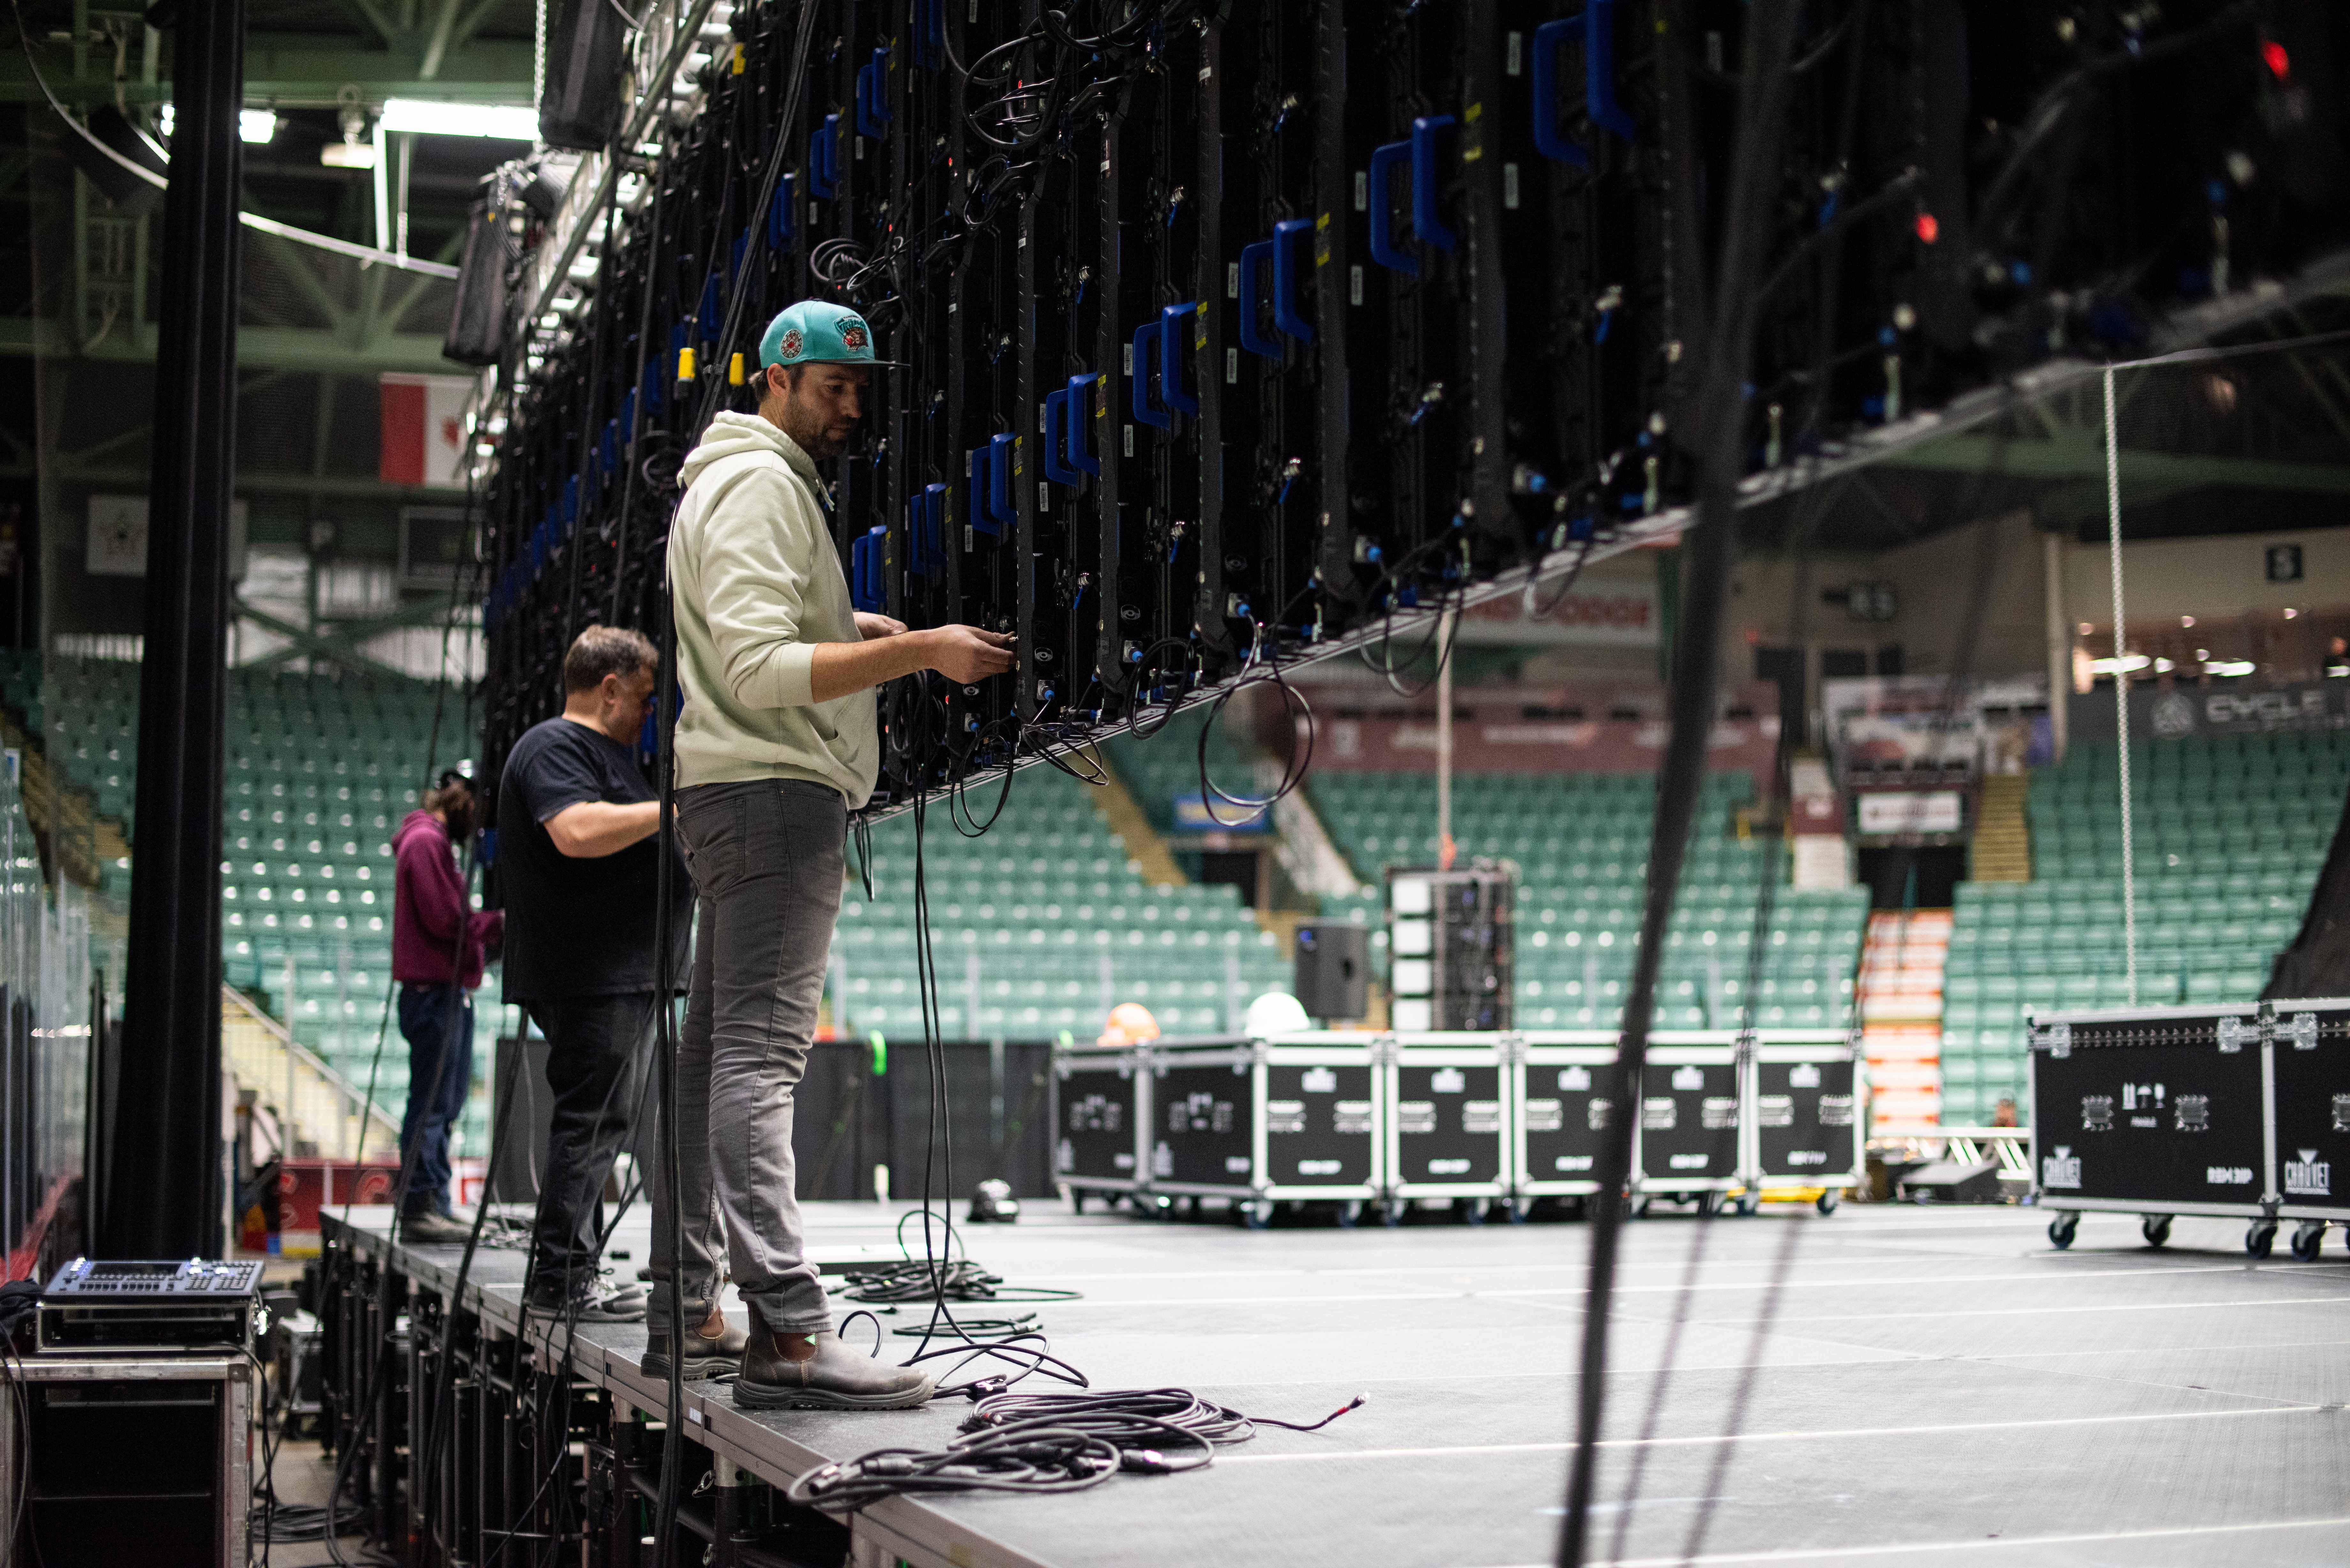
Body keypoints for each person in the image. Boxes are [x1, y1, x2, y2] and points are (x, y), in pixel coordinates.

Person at [653, 299, 1014, 1407]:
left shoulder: (730, 480)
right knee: (760, 1065)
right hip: (773, 797)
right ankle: (792, 1338)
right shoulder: (762, 484)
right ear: (775, 379)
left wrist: (841, 620)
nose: (853, 406)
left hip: (727, 792)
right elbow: (761, 667)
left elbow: (746, 633)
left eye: (863, 387)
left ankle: (686, 1306)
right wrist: (921, 652)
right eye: (831, 386)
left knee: (716, 1056)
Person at [497, 625, 693, 1322]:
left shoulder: (600, 753)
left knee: (600, 1123)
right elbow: (575, 832)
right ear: (608, 688)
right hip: (594, 971)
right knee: (591, 1122)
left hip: (620, 972)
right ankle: (561, 1276)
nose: (649, 714)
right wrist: (673, 809)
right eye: (643, 698)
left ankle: (572, 1267)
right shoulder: (555, 745)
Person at [390, 767, 503, 1244]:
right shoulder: (426, 843)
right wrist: (498, 923)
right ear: (460, 799)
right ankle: (419, 1204)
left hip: (445, 993)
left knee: (446, 1102)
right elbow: (445, 920)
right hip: (434, 994)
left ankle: (434, 1199)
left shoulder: (432, 843)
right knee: (433, 1103)